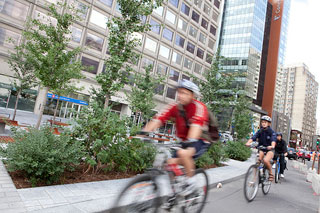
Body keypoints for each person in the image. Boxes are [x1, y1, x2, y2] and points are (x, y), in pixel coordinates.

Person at [142, 79, 210, 195]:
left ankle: (191, 182)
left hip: (200, 140)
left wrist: (189, 145)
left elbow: (196, 126)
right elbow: (159, 119)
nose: (181, 95)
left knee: (183, 154)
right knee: (169, 163)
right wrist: (143, 132)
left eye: (185, 93)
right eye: (179, 92)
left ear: (192, 95)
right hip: (183, 141)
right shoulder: (174, 107)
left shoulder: (199, 107)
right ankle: (175, 194)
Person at [246, 116, 276, 181]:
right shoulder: (260, 131)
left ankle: (271, 173)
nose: (263, 123)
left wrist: (272, 146)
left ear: (269, 124)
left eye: (265, 122)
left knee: (265, 160)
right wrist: (248, 143)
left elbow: (273, 140)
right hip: (262, 149)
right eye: (262, 122)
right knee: (258, 161)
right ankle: (254, 180)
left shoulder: (271, 132)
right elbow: (254, 137)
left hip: (270, 150)